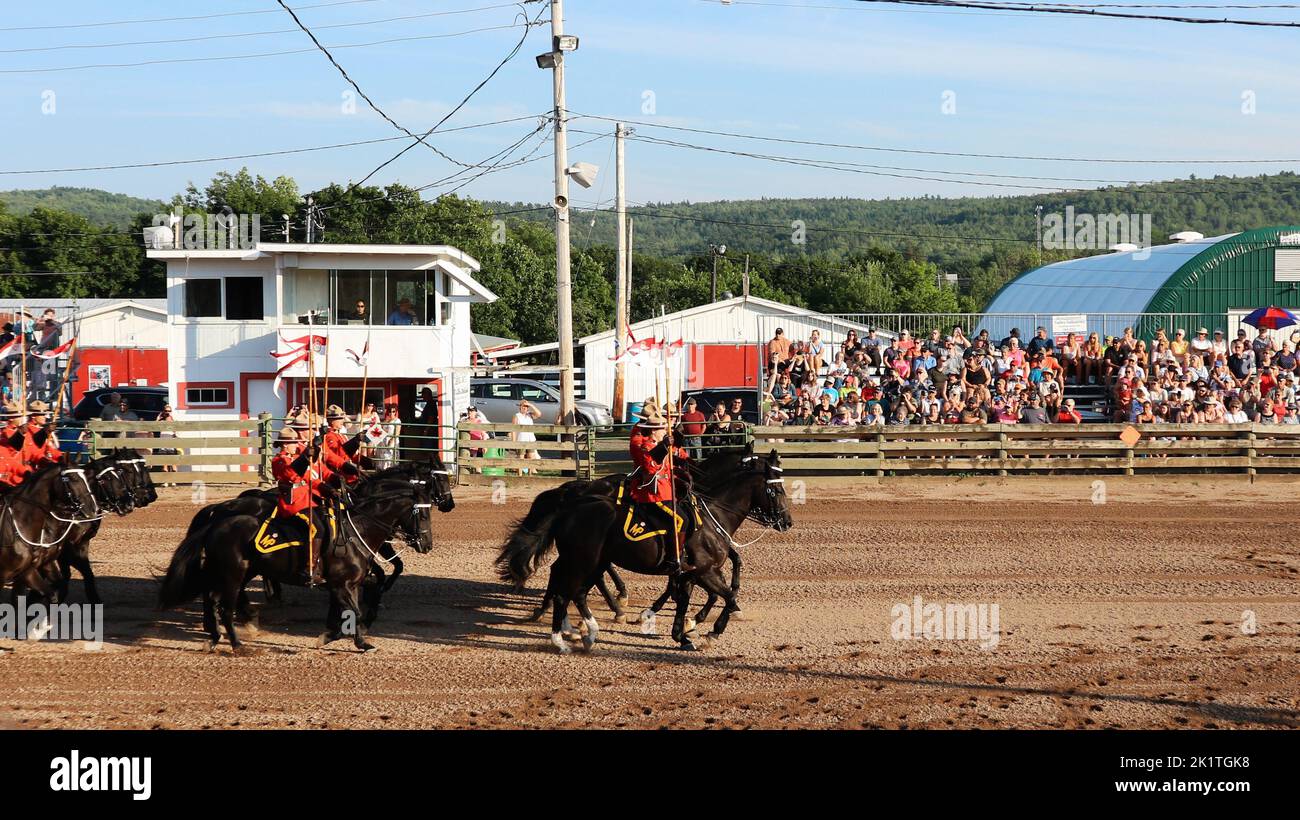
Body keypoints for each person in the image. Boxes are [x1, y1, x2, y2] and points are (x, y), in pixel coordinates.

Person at [626, 408, 694, 573]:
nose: (666, 430)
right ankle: (673, 559)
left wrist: (681, 475)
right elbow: (651, 468)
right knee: (680, 520)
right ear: (654, 431)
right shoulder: (645, 445)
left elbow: (668, 468)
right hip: (652, 495)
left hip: (666, 490)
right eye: (663, 428)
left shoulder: (658, 444)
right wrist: (663, 448)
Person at [269, 426, 332, 585]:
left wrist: (326, 487)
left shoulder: (295, 457)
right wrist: (304, 456)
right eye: (293, 443)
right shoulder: (279, 460)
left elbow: (309, 477)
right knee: (317, 528)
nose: (296, 445)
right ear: (285, 445)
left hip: (307, 499)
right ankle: (309, 569)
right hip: (292, 503)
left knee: (328, 521)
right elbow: (291, 475)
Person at [320, 405, 363, 485]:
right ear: (331, 421)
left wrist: (362, 460)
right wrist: (355, 442)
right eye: (339, 419)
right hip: (339, 472)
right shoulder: (329, 436)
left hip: (348, 470)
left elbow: (349, 454)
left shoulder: (341, 435)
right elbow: (338, 453)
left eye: (342, 418)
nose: (342, 421)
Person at [0, 402, 31, 490]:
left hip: (24, 470)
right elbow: (13, 449)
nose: (23, 419)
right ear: (12, 418)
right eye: (20, 416)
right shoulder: (5, 433)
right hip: (10, 478)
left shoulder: (25, 432)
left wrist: (25, 472)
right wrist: (20, 434)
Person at [21, 400, 61, 468]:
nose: (45, 417)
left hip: (46, 462)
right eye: (42, 415)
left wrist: (60, 457)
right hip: (34, 466)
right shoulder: (26, 431)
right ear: (33, 416)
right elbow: (35, 448)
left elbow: (52, 448)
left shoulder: (41, 429)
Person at [512, 399, 542, 474]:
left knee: (531, 457)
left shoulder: (530, 415)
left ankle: (529, 474)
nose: (524, 408)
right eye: (523, 406)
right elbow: (513, 430)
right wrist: (514, 442)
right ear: (520, 407)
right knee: (520, 458)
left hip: (530, 439)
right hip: (521, 439)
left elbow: (539, 414)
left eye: (526, 406)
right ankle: (520, 475)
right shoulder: (516, 416)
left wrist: (531, 405)